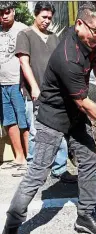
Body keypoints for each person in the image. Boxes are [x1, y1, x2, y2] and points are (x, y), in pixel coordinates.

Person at [3, 2, 96, 234]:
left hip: (75, 115)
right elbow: (87, 105)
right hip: (52, 117)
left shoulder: (89, 40)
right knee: (38, 174)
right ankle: (11, 226)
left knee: (90, 160)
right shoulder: (67, 56)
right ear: (80, 24)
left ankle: (84, 217)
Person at [16, 1, 77, 183]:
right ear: (36, 15)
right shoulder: (25, 35)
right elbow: (23, 62)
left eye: (50, 18)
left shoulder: (53, 37)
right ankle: (35, 170)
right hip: (34, 93)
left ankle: (59, 169)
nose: (47, 21)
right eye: (44, 17)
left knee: (59, 130)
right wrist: (34, 86)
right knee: (36, 131)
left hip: (55, 93)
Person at [0, 2, 29, 170]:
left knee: (23, 121)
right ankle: (19, 158)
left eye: (7, 12)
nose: (4, 15)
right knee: (9, 121)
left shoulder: (22, 29)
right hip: (1, 83)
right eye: (1, 12)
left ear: (13, 12)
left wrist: (26, 82)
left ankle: (29, 159)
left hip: (17, 83)